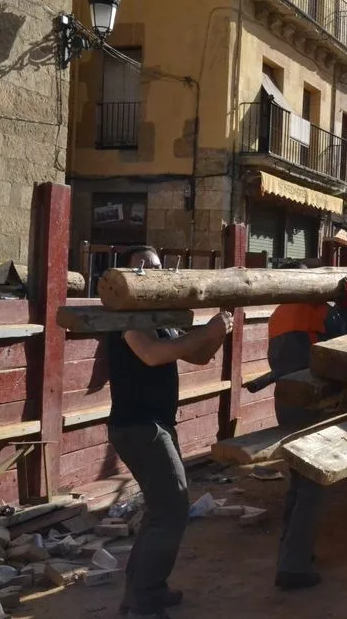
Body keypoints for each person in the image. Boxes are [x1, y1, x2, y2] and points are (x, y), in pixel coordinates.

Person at [107, 246, 234, 618]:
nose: (152, 273)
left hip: (154, 424)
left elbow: (196, 354)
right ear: (126, 277)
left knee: (161, 510)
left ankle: (144, 592)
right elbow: (152, 354)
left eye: (157, 268)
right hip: (139, 427)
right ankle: (144, 601)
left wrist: (218, 332)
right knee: (173, 508)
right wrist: (204, 333)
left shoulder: (158, 317)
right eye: (142, 269)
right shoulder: (127, 316)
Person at [268, 276, 347, 591]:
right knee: (313, 487)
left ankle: (293, 552)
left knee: (298, 482)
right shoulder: (319, 312)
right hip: (312, 401)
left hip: (286, 401)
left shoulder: (279, 312)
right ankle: (293, 567)